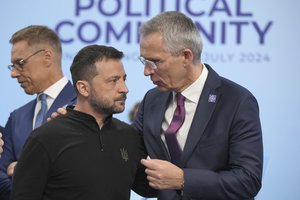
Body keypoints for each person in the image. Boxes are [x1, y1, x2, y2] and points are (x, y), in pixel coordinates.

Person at [133, 11, 263, 200]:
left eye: (155, 62)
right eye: (144, 61)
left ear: (186, 56)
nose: (146, 71)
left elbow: (248, 180)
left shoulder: (237, 101)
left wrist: (183, 179)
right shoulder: (152, 99)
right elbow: (127, 151)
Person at [10, 45, 156, 200]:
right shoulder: (45, 138)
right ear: (83, 88)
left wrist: (183, 178)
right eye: (113, 81)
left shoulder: (129, 136)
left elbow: (152, 187)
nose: (124, 89)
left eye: (123, 79)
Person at [0, 25, 76, 200]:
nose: (13, 73)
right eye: (12, 66)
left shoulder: (83, 108)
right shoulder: (16, 117)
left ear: (47, 57)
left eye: (20, 63)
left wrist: (22, 170)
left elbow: (81, 173)